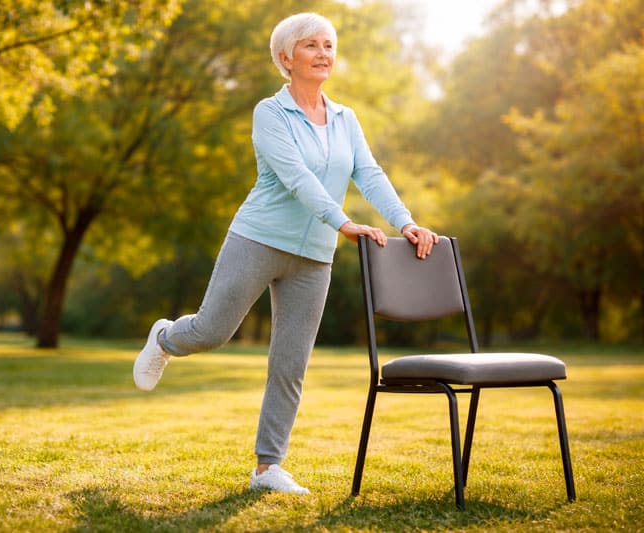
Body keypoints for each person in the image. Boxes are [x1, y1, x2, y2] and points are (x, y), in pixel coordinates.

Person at [133, 12, 438, 495]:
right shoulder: (269, 113)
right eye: (311, 45)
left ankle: (267, 467)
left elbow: (370, 173)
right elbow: (298, 178)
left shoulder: (346, 119)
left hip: (314, 257)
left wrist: (406, 221)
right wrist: (343, 222)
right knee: (213, 331)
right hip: (257, 239)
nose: (323, 54)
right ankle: (167, 339)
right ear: (285, 57)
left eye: (329, 46)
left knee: (291, 362)